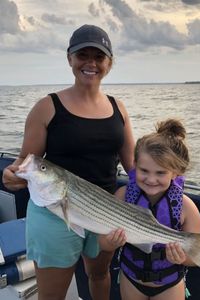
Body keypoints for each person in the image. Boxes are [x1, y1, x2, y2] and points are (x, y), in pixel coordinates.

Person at [2, 24, 135, 300]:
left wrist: (171, 189)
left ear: (109, 62)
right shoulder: (46, 107)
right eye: (82, 55)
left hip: (104, 212)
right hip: (54, 214)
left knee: (99, 275)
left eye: (98, 57)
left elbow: (134, 166)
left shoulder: (119, 108)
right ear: (69, 59)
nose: (91, 63)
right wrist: (12, 176)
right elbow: (25, 163)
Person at [115, 119, 200, 300]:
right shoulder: (123, 196)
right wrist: (111, 242)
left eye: (160, 173)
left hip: (169, 284)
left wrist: (181, 258)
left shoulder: (187, 208)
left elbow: (194, 258)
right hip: (130, 277)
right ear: (134, 165)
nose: (151, 179)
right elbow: (103, 243)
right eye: (144, 170)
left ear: (176, 172)